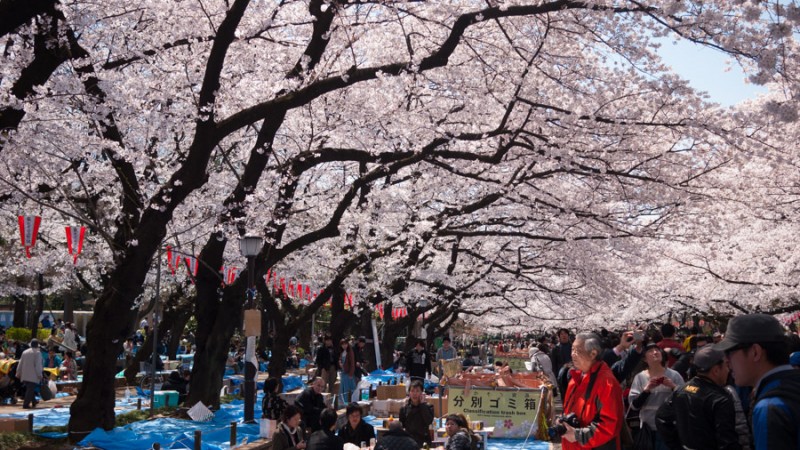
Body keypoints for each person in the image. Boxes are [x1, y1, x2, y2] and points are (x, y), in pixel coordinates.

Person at [716, 313, 800, 450]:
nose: (726, 361)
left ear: (755, 352)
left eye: (729, 352)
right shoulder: (793, 384)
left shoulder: (769, 406)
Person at [655, 346, 741, 450]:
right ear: (716, 370)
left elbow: (661, 418)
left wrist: (679, 446)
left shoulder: (681, 390)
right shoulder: (720, 399)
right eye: (726, 365)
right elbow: (728, 442)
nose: (729, 370)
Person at [559, 332, 623, 450]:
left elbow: (610, 426)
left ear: (593, 354)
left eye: (577, 350)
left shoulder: (607, 383)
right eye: (572, 349)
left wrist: (578, 436)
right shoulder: (575, 378)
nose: (573, 354)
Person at [628, 343, 684, 450]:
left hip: (669, 428)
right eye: (650, 351)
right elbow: (634, 406)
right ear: (644, 359)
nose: (655, 352)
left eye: (657, 350)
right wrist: (647, 390)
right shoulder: (640, 377)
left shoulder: (674, 375)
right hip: (647, 430)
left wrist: (673, 386)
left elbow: (685, 400)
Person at [399, 379, 434, 446]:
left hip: (424, 441)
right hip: (409, 442)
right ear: (409, 393)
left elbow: (428, 421)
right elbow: (402, 425)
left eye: (417, 391)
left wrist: (422, 405)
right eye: (412, 391)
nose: (414, 394)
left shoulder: (429, 407)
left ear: (422, 393)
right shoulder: (404, 408)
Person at [16, 339, 43, 409]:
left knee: (30, 389)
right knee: (30, 389)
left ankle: (34, 401)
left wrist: (18, 372)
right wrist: (40, 374)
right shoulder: (37, 353)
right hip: (33, 375)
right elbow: (38, 365)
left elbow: (20, 363)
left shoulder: (25, 352)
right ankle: (25, 404)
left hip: (24, 374)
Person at [551, 328, 573, 399]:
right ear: (559, 336)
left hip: (573, 373)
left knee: (573, 394)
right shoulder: (556, 349)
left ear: (568, 335)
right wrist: (556, 376)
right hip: (561, 375)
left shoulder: (573, 347)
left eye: (565, 333)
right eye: (562, 334)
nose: (564, 335)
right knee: (564, 394)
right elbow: (553, 364)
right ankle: (565, 409)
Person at [338, 339, 356, 406]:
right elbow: (340, 359)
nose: (344, 346)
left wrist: (351, 373)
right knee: (342, 389)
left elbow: (352, 364)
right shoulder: (342, 352)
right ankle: (343, 404)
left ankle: (348, 404)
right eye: (343, 344)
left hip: (348, 374)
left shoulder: (350, 352)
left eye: (345, 344)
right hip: (343, 373)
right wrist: (340, 363)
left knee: (348, 389)